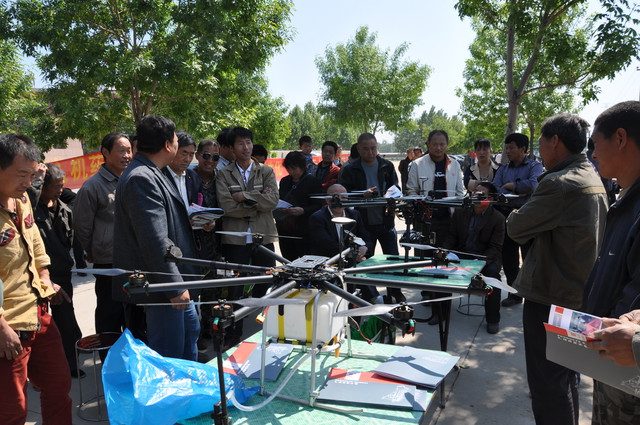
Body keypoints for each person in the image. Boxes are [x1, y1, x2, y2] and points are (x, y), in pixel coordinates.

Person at [506, 113, 608, 425]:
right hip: (579, 294)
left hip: (550, 298)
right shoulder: (591, 176)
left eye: (540, 142)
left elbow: (516, 227)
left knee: (548, 384)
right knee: (566, 378)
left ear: (555, 142)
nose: (539, 149)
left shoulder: (558, 184)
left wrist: (513, 214)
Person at [113, 115, 200, 361]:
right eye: (175, 139)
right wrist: (174, 287)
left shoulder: (154, 171)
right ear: (167, 144)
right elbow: (153, 239)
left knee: (189, 335)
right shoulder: (141, 177)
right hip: (162, 287)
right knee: (170, 352)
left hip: (172, 280)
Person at [0, 133, 72, 425]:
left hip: (39, 314)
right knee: (12, 410)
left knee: (58, 386)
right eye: (21, 175)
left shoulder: (22, 200)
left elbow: (36, 244)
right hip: (8, 328)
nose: (28, 183)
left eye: (32, 175)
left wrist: (45, 277)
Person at [580, 100, 640, 425]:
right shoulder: (626, 198)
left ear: (620, 138)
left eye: (595, 144)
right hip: (612, 359)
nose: (593, 154)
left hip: (628, 371)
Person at [73, 132, 136, 338]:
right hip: (108, 262)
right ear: (105, 153)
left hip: (133, 259)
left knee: (133, 314)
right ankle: (107, 352)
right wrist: (94, 250)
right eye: (121, 151)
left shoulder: (132, 180)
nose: (127, 156)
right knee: (110, 314)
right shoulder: (92, 186)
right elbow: (82, 227)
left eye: (129, 151)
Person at [406, 130, 465, 321]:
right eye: (435, 144)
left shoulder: (454, 164)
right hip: (426, 222)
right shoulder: (417, 164)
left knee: (445, 260)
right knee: (427, 260)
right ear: (428, 144)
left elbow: (460, 191)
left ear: (447, 145)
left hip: (449, 220)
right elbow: (411, 190)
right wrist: (422, 202)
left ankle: (442, 307)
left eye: (442, 144)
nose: (438, 148)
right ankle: (430, 295)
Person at [339, 133, 404, 303]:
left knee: (393, 260)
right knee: (365, 261)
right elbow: (343, 195)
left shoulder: (386, 165)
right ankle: (370, 296)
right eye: (366, 149)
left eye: (373, 148)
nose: (370, 152)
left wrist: (392, 194)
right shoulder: (350, 169)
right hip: (363, 223)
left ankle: (395, 292)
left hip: (386, 220)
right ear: (358, 149)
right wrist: (362, 195)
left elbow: (395, 187)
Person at [34, 164, 85, 378]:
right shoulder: (32, 211)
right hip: (40, 275)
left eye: (61, 186)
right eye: (56, 186)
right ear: (43, 187)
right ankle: (43, 369)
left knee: (65, 318)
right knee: (40, 322)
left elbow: (72, 239)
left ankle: (70, 362)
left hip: (62, 273)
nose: (60, 190)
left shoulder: (64, 208)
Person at [216, 126, 279, 296]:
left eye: (248, 142)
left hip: (263, 236)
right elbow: (226, 207)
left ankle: (262, 313)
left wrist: (244, 195)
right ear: (231, 148)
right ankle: (237, 314)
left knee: (267, 281)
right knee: (235, 286)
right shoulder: (223, 174)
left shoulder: (266, 171)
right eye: (240, 143)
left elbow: (273, 200)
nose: (246, 147)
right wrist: (258, 203)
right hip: (235, 239)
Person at [443, 182, 505, 334]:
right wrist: (445, 251)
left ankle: (493, 319)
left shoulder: (498, 218)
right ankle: (440, 312)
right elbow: (451, 236)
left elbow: (495, 247)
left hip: (485, 256)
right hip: (462, 253)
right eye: (475, 192)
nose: (476, 195)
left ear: (490, 199)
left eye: (481, 194)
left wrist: (479, 261)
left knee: (493, 277)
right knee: (442, 269)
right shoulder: (460, 212)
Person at [493, 133, 544, 307]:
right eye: (507, 148)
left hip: (527, 216)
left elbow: (534, 185)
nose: (508, 151)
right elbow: (496, 188)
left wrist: (513, 186)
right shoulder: (503, 169)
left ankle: (531, 295)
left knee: (529, 257)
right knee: (509, 258)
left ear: (523, 149)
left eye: (511, 148)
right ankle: (514, 294)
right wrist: (517, 189)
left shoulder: (535, 166)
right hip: (506, 216)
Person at [307, 184, 378, 302]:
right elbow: (326, 245)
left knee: (364, 274)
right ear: (327, 200)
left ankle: (372, 301)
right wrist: (353, 254)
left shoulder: (354, 214)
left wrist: (365, 247)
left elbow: (366, 237)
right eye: (335, 197)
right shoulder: (317, 218)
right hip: (328, 262)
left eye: (343, 197)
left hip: (352, 260)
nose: (339, 201)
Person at [276, 151, 322, 261]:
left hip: (304, 229)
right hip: (285, 228)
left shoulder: (313, 181)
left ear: (302, 167)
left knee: (305, 260)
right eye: (288, 169)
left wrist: (303, 210)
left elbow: (319, 206)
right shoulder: (284, 181)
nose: (291, 172)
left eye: (294, 168)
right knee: (287, 259)